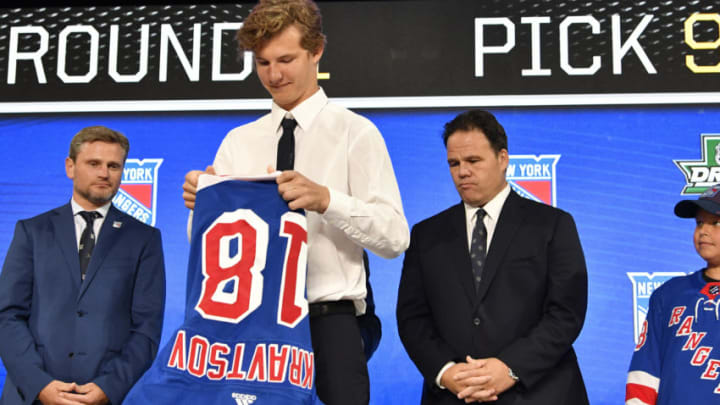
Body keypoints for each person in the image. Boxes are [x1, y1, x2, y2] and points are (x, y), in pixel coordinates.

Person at [181, 0, 409, 403]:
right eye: (263, 62)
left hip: (331, 324)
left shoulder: (355, 132)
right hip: (249, 330)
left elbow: (394, 237)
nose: (274, 74)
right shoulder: (239, 141)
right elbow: (206, 249)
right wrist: (201, 208)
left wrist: (327, 200)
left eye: (286, 59)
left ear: (316, 51)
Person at [396, 109, 589, 404]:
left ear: (502, 159)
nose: (462, 172)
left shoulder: (552, 225)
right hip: (454, 395)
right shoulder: (426, 235)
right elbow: (412, 318)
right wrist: (446, 371)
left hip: (539, 393)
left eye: (473, 161)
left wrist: (510, 368)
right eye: (454, 163)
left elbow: (566, 313)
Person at [0, 126, 166, 405]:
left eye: (114, 166)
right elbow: (7, 315)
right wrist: (40, 384)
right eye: (94, 164)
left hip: (101, 397)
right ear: (70, 167)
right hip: (30, 395)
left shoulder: (145, 239)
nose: (104, 173)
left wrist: (108, 388)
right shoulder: (32, 231)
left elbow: (146, 329)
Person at [626, 184, 720, 404]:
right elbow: (645, 370)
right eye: (699, 223)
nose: (703, 231)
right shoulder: (670, 294)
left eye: (716, 222)